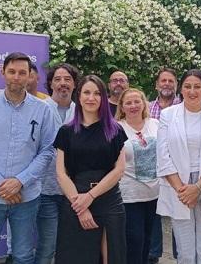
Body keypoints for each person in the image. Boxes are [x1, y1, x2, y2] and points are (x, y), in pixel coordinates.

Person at [0, 52, 55, 264]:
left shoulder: (43, 110)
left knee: (23, 255)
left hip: (26, 198)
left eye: (22, 73)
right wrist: (1, 185)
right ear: (3, 72)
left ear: (29, 76)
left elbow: (47, 150)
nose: (17, 77)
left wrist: (19, 182)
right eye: (12, 72)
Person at [156, 69, 201, 264]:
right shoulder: (168, 115)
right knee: (185, 252)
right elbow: (163, 156)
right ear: (181, 89)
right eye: (187, 86)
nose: (192, 91)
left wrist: (197, 187)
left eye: (197, 86)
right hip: (178, 185)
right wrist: (183, 190)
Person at [54, 75, 128, 264]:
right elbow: (61, 173)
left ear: (103, 98)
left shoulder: (115, 130)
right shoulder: (66, 132)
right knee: (77, 257)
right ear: (78, 97)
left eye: (97, 93)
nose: (91, 98)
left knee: (112, 256)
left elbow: (119, 170)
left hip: (109, 201)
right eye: (86, 92)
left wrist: (91, 196)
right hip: (75, 199)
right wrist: (80, 206)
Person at [34, 63, 80, 264]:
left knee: (70, 245)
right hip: (46, 190)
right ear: (50, 83)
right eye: (58, 79)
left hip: (74, 192)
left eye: (67, 79)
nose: (63, 83)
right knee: (47, 246)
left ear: (74, 84)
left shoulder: (81, 111)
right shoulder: (39, 109)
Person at [115, 88, 160, 264]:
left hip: (154, 194)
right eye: (128, 102)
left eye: (137, 101)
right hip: (129, 196)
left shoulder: (155, 124)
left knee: (148, 243)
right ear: (122, 106)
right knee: (134, 242)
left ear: (144, 103)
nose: (133, 106)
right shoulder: (117, 128)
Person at [147, 67, 181, 263]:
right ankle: (153, 255)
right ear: (157, 85)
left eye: (171, 81)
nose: (167, 84)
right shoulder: (147, 107)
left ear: (176, 85)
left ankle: (180, 256)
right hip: (152, 170)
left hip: (176, 170)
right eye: (163, 81)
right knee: (154, 214)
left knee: (177, 215)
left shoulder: (183, 107)